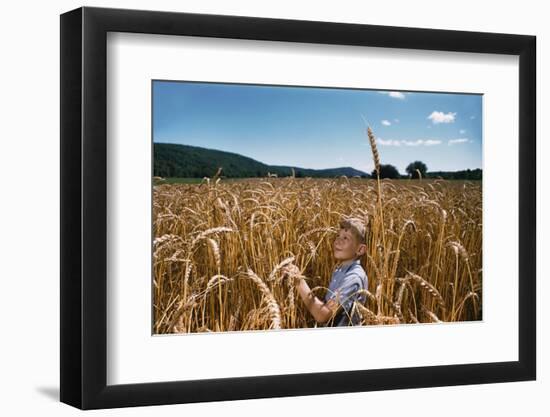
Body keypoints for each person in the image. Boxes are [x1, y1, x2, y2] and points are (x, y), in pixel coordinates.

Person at [283, 217, 369, 326]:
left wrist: (299, 282)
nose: (338, 241)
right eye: (338, 236)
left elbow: (322, 315)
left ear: (360, 249)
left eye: (346, 238)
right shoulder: (340, 269)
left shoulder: (354, 277)